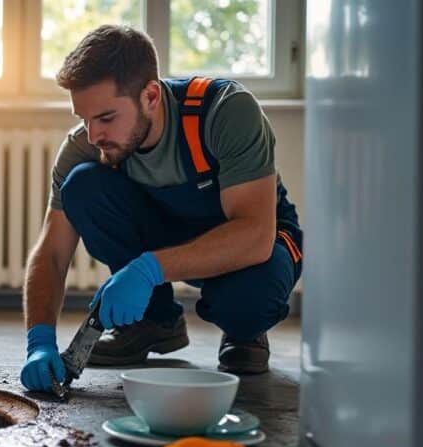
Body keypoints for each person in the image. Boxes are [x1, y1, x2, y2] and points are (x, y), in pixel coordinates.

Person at [21, 25, 302, 392]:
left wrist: (149, 269)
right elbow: (52, 253)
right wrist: (38, 342)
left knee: (245, 301)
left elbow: (255, 235)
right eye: (83, 119)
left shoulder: (224, 112)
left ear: (151, 95)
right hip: (172, 231)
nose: (93, 135)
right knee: (82, 184)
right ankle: (153, 323)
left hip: (256, 241)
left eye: (105, 118)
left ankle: (245, 332)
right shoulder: (86, 146)